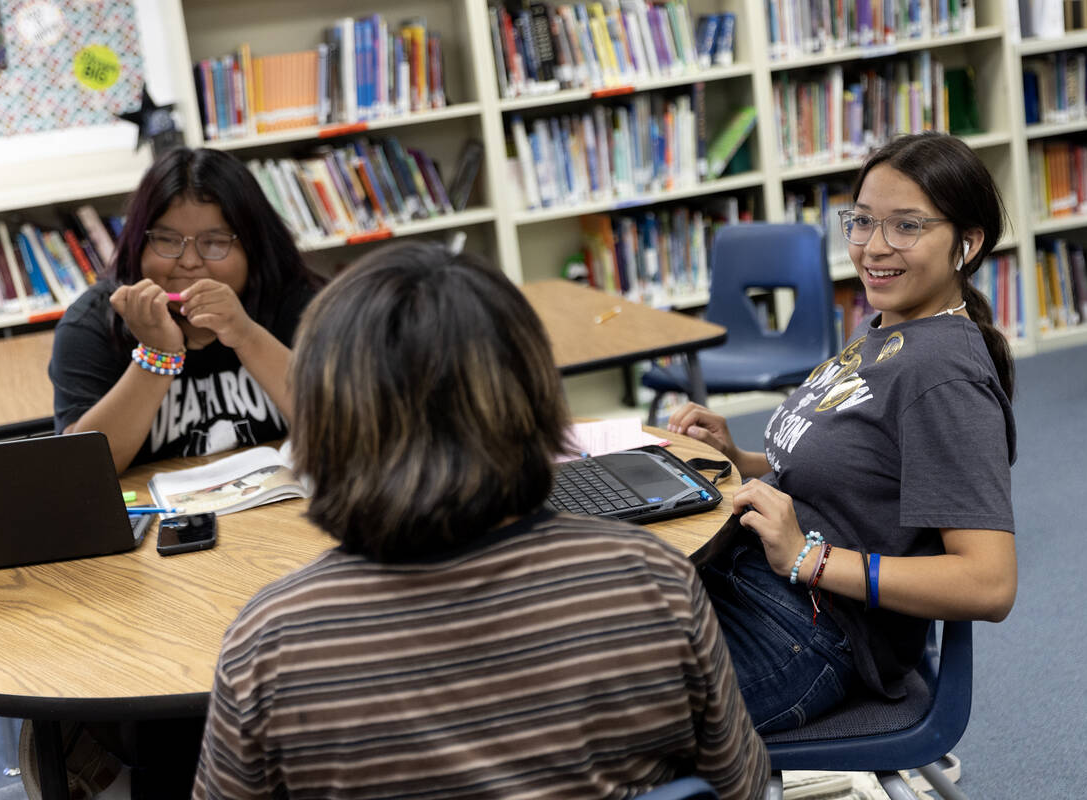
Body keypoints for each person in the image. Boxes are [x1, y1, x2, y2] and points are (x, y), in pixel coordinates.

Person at [193, 241, 770, 799]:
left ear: (326, 418)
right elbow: (738, 784)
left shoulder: (271, 642)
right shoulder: (653, 580)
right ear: (534, 393)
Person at [669, 132, 1018, 733]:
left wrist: (809, 557)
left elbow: (988, 583)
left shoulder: (942, 375)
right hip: (755, 580)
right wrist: (741, 458)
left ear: (968, 242)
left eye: (906, 226)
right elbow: (853, 478)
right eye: (861, 221)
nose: (873, 248)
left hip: (807, 635)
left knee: (568, 712)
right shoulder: (891, 323)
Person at [49, 147, 317, 472]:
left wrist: (246, 335)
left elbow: (348, 435)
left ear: (254, 246)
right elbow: (83, 470)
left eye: (216, 242)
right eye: (166, 240)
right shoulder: (90, 323)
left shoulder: (305, 305)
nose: (189, 262)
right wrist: (157, 354)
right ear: (137, 245)